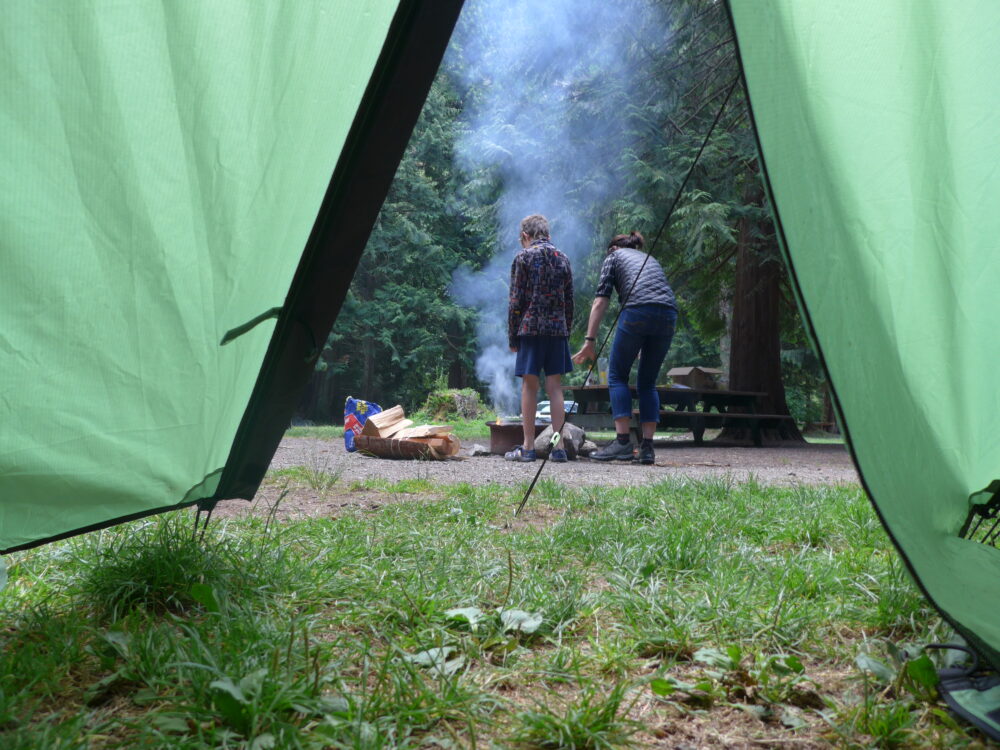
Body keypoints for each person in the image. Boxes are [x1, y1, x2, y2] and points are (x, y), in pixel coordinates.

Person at [572, 231, 677, 465]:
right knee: (648, 382)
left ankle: (622, 443)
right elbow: (656, 296)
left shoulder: (614, 257)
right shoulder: (650, 258)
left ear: (614, 247)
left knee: (617, 376)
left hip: (638, 311)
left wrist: (590, 341)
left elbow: (601, 300)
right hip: (668, 313)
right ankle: (647, 448)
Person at [505, 214, 574, 463]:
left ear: (525, 236)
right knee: (555, 388)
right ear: (548, 234)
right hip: (557, 331)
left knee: (529, 386)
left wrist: (513, 335)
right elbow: (569, 301)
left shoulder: (523, 257)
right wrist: (566, 329)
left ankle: (528, 447)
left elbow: (516, 301)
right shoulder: (563, 258)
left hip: (531, 329)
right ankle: (558, 447)